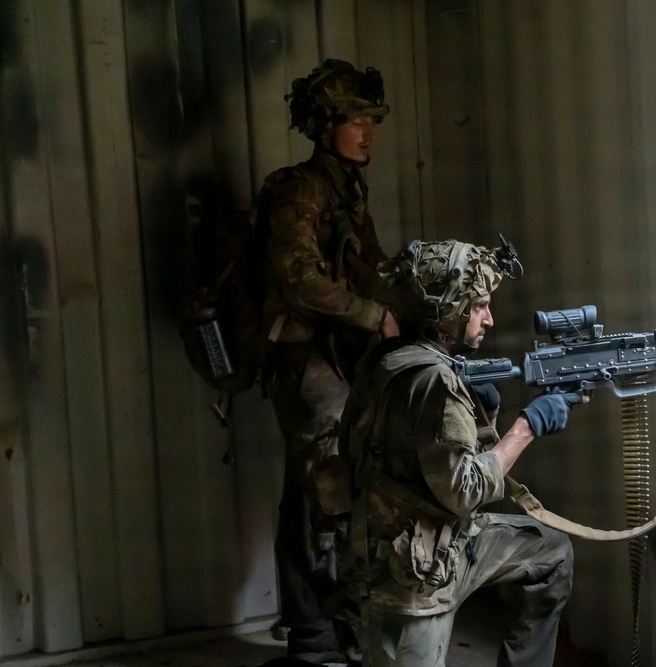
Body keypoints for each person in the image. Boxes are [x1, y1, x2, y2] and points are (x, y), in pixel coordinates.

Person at [339, 239, 584, 667]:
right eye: (479, 306)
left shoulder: (388, 359)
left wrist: (483, 411)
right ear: (448, 310)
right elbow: (465, 490)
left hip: (418, 538)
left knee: (551, 551)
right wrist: (526, 427)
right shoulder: (434, 380)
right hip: (413, 576)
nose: (489, 319)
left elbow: (425, 458)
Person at [255, 58, 400, 664]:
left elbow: (367, 265)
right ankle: (322, 635)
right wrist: (373, 316)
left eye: (372, 120)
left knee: (311, 488)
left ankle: (311, 623)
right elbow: (298, 279)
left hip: (337, 355)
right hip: (306, 360)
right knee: (329, 488)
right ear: (323, 127)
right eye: (355, 120)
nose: (368, 131)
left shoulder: (347, 187)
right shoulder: (300, 188)